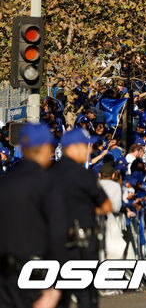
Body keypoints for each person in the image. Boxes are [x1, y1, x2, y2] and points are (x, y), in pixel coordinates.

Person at [0, 123, 67, 308]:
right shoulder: (49, 184)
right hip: (36, 278)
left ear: (21, 147)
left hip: (4, 279)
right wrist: (55, 287)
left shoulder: (5, 183)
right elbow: (58, 235)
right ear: (46, 147)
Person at [52, 128, 112, 308]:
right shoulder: (83, 174)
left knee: (59, 294)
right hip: (82, 243)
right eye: (87, 146)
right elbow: (106, 206)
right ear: (75, 147)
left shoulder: (50, 172)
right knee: (86, 295)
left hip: (55, 242)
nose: (89, 150)